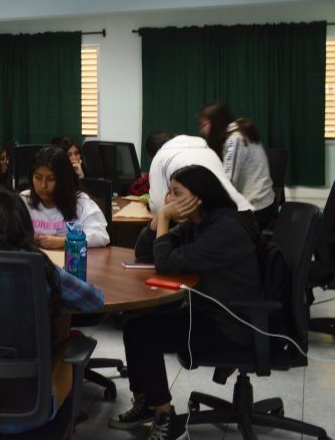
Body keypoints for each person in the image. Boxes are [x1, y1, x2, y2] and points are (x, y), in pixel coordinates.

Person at [110, 165, 261, 440]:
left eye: (176, 193)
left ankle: (165, 418)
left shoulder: (224, 229)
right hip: (207, 313)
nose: (168, 199)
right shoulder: (198, 222)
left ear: (198, 197)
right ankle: (146, 403)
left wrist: (166, 217)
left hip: (233, 324)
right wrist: (159, 220)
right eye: (169, 192)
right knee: (134, 323)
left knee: (144, 335)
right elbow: (146, 254)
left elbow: (165, 263)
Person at [0, 189, 104, 432]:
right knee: (72, 343)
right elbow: (94, 301)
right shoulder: (38, 267)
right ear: (24, 227)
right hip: (25, 407)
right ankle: (63, 422)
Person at [197, 101, 277, 230]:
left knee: (209, 226)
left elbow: (229, 182)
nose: (202, 130)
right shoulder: (238, 129)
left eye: (203, 124)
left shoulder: (234, 139)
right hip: (265, 204)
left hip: (256, 210)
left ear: (216, 121)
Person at [20, 146, 109, 249]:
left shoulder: (80, 202)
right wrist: (25, 238)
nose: (43, 185)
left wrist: (64, 241)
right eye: (38, 178)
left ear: (63, 180)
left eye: (51, 179)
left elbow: (101, 235)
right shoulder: (24, 200)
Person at [145, 131, 251, 214]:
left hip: (216, 221)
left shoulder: (160, 156)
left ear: (155, 151)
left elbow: (157, 207)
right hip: (244, 211)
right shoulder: (207, 150)